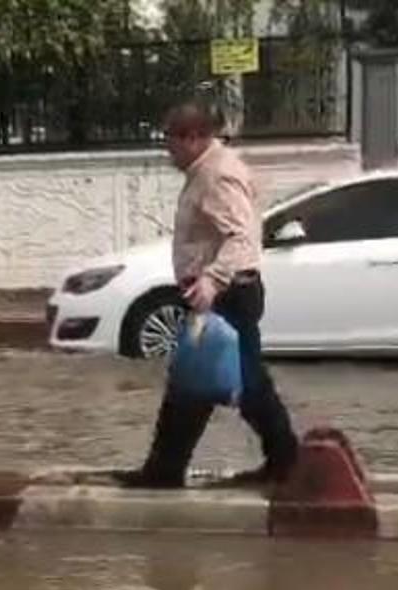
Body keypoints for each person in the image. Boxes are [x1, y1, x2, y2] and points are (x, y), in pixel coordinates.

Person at [118, 99, 299, 489]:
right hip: (217, 294)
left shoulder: (216, 175)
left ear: (194, 137)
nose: (168, 153)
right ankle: (165, 470)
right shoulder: (208, 170)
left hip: (227, 294)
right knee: (195, 385)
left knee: (237, 385)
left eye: (172, 143)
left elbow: (242, 235)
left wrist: (213, 280)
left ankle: (286, 463)